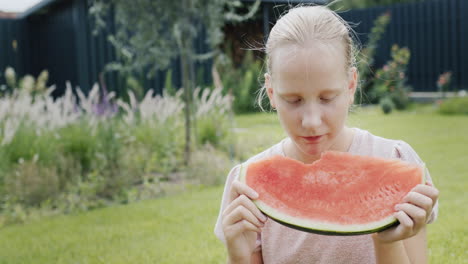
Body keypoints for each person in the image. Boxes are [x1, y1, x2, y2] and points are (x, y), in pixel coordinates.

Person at [214, 5, 439, 264]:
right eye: (294, 100)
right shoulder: (247, 187)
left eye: (327, 97)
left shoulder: (397, 160)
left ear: (351, 85)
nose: (311, 121)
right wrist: (238, 257)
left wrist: (386, 240)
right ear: (271, 92)